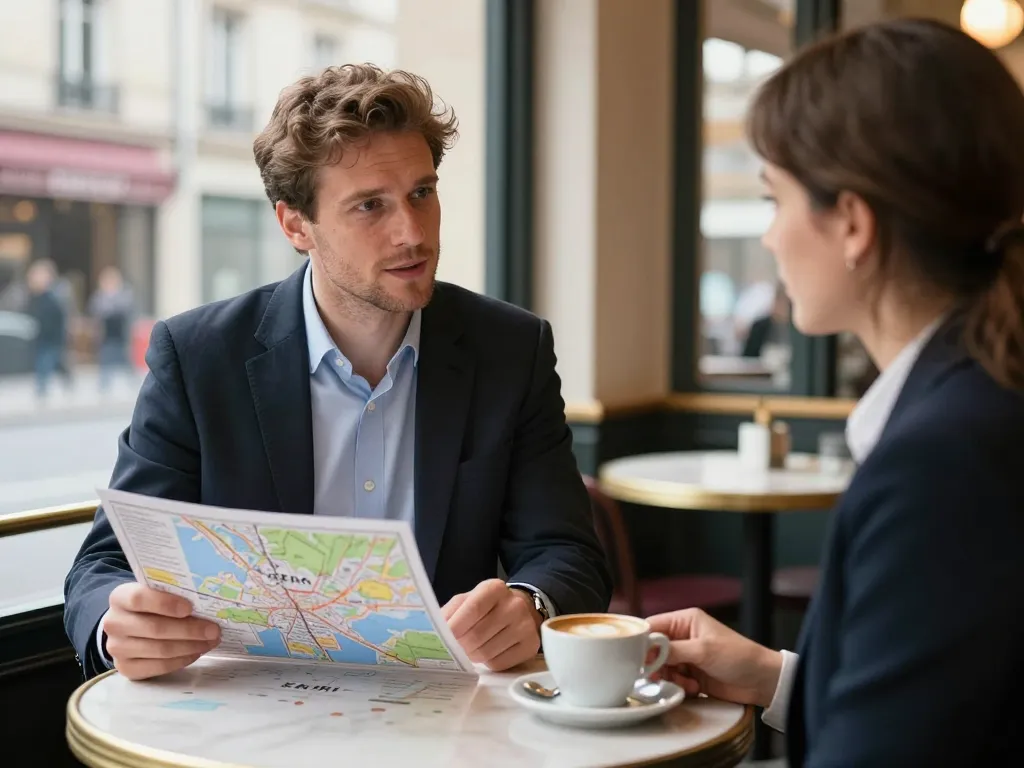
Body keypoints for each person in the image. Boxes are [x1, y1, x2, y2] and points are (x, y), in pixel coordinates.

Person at [64, 64, 612, 681]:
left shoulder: (512, 349)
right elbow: (103, 567)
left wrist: (531, 605)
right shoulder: (197, 357)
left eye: (422, 193)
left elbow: (567, 554)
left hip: (448, 712)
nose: (412, 232)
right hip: (251, 713)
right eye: (369, 206)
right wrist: (118, 629)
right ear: (296, 225)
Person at [648, 19, 1024, 766]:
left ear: (851, 223)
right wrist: (771, 676)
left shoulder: (941, 461)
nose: (768, 237)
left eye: (773, 200)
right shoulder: (978, 403)